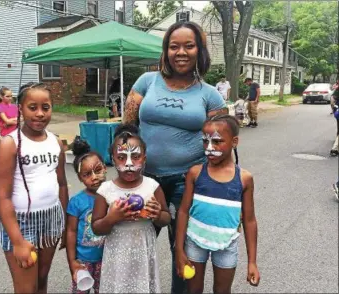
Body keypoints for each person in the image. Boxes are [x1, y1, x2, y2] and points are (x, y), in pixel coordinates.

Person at [123, 21, 227, 293]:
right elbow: (127, 131)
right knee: (134, 245)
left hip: (188, 182)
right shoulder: (147, 82)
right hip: (144, 181)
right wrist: (125, 175)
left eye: (189, 46)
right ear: (166, 50)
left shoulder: (210, 95)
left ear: (199, 50)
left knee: (183, 250)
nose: (181, 52)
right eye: (174, 46)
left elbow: (221, 145)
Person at [0, 82, 69, 293]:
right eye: (32, 107)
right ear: (20, 109)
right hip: (20, 222)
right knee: (27, 287)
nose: (39, 114)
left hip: (51, 218)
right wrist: (17, 241)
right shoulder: (10, 144)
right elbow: (1, 196)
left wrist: (63, 223)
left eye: (46, 107)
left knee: (42, 280)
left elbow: (62, 183)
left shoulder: (55, 142)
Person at [175, 115, 260, 293]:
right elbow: (183, 212)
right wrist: (179, 250)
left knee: (222, 290)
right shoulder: (195, 173)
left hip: (226, 244)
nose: (210, 148)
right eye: (205, 142)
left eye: (217, 142)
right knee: (193, 289)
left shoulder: (244, 179)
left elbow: (250, 220)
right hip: (195, 242)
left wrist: (252, 261)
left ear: (234, 141)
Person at [92, 124, 171, 293]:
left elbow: (166, 218)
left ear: (144, 158)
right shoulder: (105, 190)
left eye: (135, 156)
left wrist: (157, 214)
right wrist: (111, 218)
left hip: (143, 251)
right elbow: (96, 228)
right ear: (112, 159)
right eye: (121, 157)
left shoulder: (152, 186)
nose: (129, 163)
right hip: (117, 254)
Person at [66, 137, 107, 294]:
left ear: (104, 168)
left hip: (107, 258)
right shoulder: (77, 202)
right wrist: (72, 262)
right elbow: (71, 232)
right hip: (83, 261)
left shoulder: (112, 196)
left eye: (97, 170)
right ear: (80, 178)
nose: (94, 177)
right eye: (87, 174)